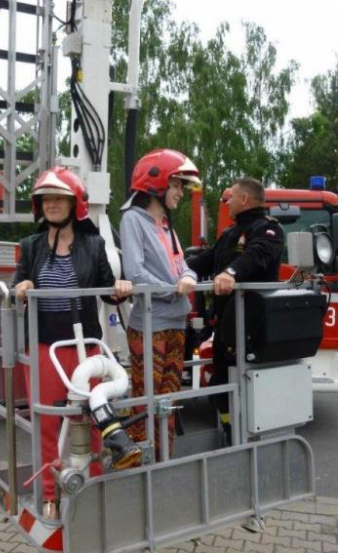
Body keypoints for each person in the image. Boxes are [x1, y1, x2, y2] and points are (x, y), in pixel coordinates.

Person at [13, 166, 140, 520]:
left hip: (86, 349)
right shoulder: (30, 246)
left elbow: (107, 291)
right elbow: (17, 285)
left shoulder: (94, 245)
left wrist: (120, 288)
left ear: (74, 204)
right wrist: (20, 288)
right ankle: (51, 494)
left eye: (58, 198)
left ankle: (93, 489)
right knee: (49, 424)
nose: (51, 204)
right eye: (46, 199)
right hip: (43, 347)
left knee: (92, 417)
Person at [187, 177, 285, 442]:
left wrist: (231, 272)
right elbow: (206, 261)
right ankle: (231, 432)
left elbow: (254, 256)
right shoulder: (230, 233)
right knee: (220, 386)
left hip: (252, 328)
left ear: (244, 200)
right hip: (226, 327)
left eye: (231, 197)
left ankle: (254, 437)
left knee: (249, 386)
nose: (227, 202)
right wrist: (177, 268)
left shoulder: (269, 230)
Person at [119, 149, 201, 458]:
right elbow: (136, 273)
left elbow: (184, 265)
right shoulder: (133, 220)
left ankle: (163, 459)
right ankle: (139, 461)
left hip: (175, 323)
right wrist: (174, 289)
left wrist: (189, 278)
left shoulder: (165, 224)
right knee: (146, 399)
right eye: (177, 184)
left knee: (169, 399)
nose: (181, 192)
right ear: (157, 183)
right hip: (149, 325)